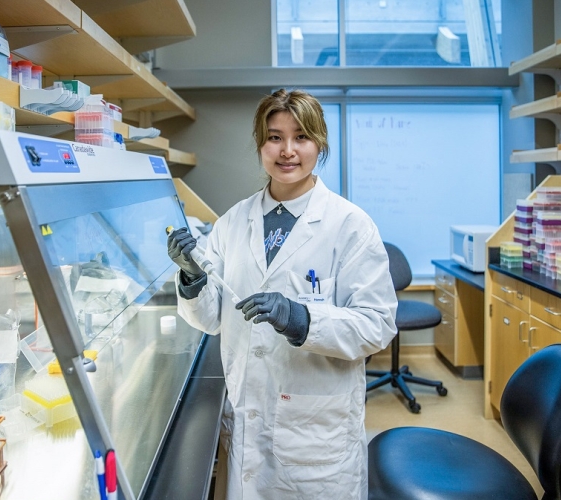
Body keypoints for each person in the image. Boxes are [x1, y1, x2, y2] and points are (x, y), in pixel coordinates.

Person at [167, 88, 398, 499]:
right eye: (274, 137)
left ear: (319, 144)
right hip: (247, 415)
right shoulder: (232, 223)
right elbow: (211, 318)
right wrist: (193, 279)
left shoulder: (350, 226)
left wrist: (302, 318)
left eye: (301, 137)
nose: (287, 150)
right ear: (260, 145)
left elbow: (377, 326)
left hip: (315, 429)